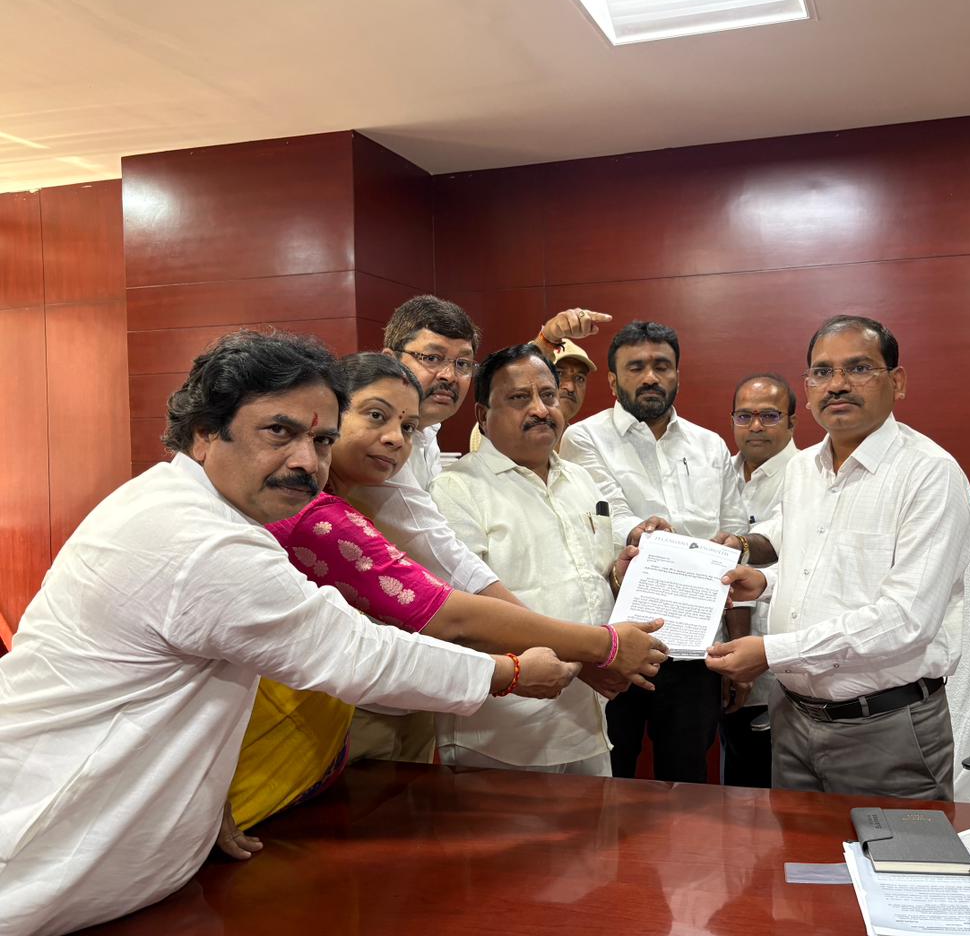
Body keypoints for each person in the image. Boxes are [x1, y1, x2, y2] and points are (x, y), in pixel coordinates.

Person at [0, 331, 579, 936]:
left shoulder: (179, 502)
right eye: (279, 432)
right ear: (205, 432)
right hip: (41, 852)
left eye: (321, 439)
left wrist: (197, 795)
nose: (306, 460)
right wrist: (508, 672)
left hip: (119, 862)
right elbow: (358, 653)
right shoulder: (202, 541)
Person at [226, 352, 665, 839]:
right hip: (324, 726)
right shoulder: (325, 514)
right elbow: (448, 611)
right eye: (375, 416)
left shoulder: (367, 496)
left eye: (408, 427)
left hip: (553, 709)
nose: (395, 438)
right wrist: (599, 647)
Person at [706, 316, 970, 799]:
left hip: (884, 728)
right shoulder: (803, 469)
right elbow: (821, 566)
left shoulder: (930, 474)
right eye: (822, 372)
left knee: (895, 850)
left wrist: (771, 653)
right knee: (797, 848)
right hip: (792, 719)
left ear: (897, 382)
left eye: (859, 368)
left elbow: (906, 619)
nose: (837, 385)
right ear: (808, 390)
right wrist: (765, 583)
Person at [343, 297, 611, 763]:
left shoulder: (424, 439)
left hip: (422, 686)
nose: (449, 375)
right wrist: (589, 651)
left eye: (463, 363)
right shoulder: (404, 466)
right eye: (432, 358)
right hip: (362, 692)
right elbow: (456, 573)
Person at [560, 321, 749, 783]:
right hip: (617, 642)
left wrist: (733, 650)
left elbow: (733, 536)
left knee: (688, 783)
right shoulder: (583, 438)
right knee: (611, 776)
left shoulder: (710, 446)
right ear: (612, 381)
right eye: (636, 367)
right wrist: (641, 533)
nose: (650, 377)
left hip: (696, 649)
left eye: (662, 366)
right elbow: (610, 514)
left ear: (677, 373)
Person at [434, 344, 625, 775]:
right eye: (519, 398)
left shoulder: (581, 479)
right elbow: (469, 614)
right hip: (503, 731)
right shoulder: (455, 490)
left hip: (588, 719)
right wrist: (587, 658)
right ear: (483, 416)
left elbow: (593, 576)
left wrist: (620, 574)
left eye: (548, 395)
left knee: (597, 822)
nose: (540, 410)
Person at [720, 373, 799, 788]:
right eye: (744, 416)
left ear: (791, 423)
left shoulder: (809, 476)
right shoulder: (717, 472)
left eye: (769, 416)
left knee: (777, 790)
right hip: (721, 650)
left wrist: (739, 545)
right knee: (735, 785)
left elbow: (776, 546)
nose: (755, 426)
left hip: (779, 661)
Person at [469, 337, 597, 451]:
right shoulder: (495, 429)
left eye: (580, 378)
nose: (570, 387)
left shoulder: (583, 443)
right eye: (559, 373)